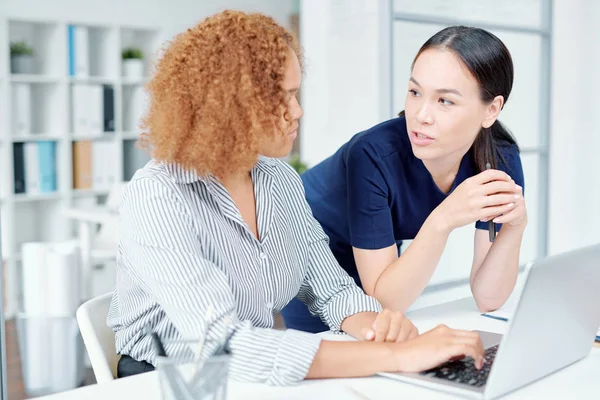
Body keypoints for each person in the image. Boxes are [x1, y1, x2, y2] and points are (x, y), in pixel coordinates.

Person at [107, 11, 485, 385]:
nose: (298, 111)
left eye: (296, 94)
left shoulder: (279, 180)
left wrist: (381, 329)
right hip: (162, 381)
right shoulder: (158, 196)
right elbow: (223, 346)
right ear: (231, 107)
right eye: (283, 98)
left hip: (246, 372)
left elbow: (331, 289)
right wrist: (397, 356)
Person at [281, 26, 527, 334]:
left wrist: (514, 229)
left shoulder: (498, 158)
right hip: (314, 254)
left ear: (491, 109)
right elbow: (386, 300)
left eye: (445, 101)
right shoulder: (372, 155)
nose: (421, 115)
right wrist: (442, 220)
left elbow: (489, 298)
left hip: (377, 252)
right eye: (415, 92)